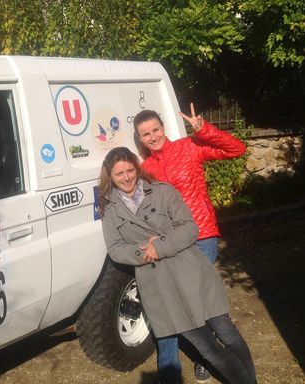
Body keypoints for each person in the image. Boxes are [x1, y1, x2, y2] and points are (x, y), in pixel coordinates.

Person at [99, 147, 256, 384]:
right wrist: (144, 249)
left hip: (190, 271)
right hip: (159, 285)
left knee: (227, 332)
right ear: (110, 176)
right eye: (119, 173)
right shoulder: (109, 210)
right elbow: (115, 249)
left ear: (137, 168)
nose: (127, 177)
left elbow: (189, 228)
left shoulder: (163, 192)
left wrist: (159, 246)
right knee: (207, 347)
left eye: (130, 170)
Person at [134, 104, 246, 383]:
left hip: (202, 235)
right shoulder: (146, 168)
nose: (152, 137)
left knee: (198, 302)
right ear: (140, 139)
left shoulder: (189, 147)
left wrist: (204, 129)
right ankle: (172, 369)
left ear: (164, 129)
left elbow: (236, 149)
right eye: (145, 134)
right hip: (171, 244)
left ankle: (205, 358)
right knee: (173, 303)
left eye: (155, 130)